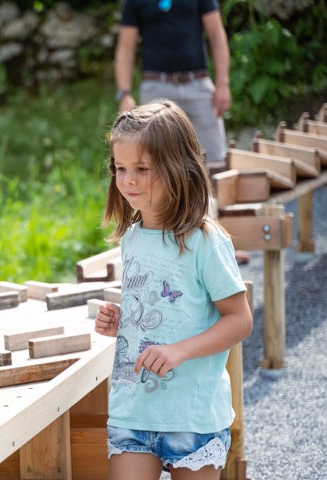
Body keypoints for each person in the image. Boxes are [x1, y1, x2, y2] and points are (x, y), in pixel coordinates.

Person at [94, 100, 253, 479]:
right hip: (132, 412)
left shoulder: (205, 241)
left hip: (192, 416)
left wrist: (179, 351)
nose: (128, 179)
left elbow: (240, 320)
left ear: (176, 167)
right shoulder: (132, 237)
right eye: (121, 168)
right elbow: (160, 314)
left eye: (142, 169)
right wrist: (122, 323)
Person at [114, 0, 251, 265]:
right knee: (154, 166)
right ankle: (167, 243)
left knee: (215, 165)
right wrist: (125, 94)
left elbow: (216, 34)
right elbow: (126, 46)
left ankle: (221, 246)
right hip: (156, 87)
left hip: (197, 83)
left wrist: (222, 83)